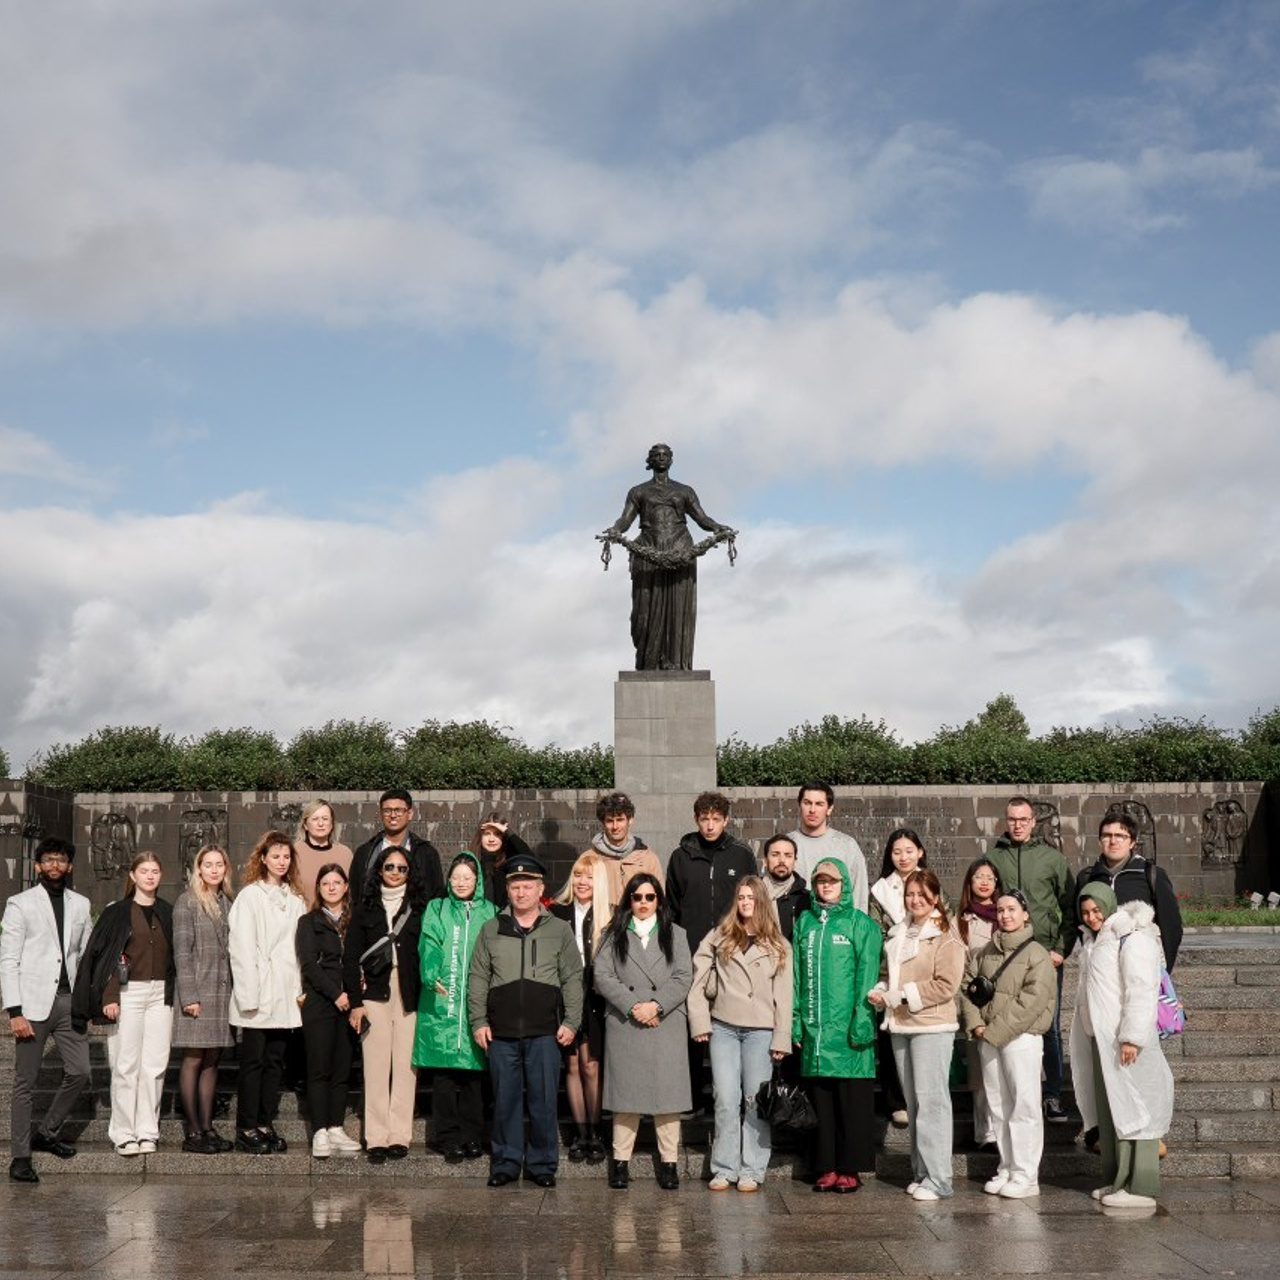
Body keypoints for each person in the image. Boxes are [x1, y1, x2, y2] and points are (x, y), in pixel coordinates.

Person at [468, 852, 583, 1188]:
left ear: (540, 889)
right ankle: (505, 1162)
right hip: (501, 1032)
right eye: (515, 886)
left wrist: (571, 1021)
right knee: (504, 1099)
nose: (521, 892)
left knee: (544, 1100)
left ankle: (543, 1164)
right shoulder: (491, 929)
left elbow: (573, 978)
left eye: (527, 886)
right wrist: (478, 1021)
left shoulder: (559, 929)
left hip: (546, 1032)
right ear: (507, 890)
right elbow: (478, 977)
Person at [1070, 884, 1175, 1209]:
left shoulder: (1132, 938)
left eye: (1096, 910)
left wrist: (1132, 1037)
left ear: (1109, 905)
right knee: (1113, 1112)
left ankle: (1140, 1185)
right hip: (1102, 1042)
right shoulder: (1092, 941)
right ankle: (1117, 1180)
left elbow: (1140, 989)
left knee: (1137, 1110)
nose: (1092, 916)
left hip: (1126, 1042)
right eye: (1085, 912)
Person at [688, 875, 792, 1192]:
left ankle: (752, 1168)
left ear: (761, 902)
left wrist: (781, 1038)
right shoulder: (720, 936)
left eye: (751, 897)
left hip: (761, 1029)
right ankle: (724, 1167)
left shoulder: (778, 944)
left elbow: (785, 996)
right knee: (724, 1097)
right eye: (742, 897)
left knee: (754, 1100)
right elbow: (697, 977)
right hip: (723, 1026)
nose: (746, 902)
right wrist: (700, 1022)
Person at [869, 869, 965, 1201]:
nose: (916, 900)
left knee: (932, 1103)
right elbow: (887, 973)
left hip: (932, 1026)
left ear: (935, 898)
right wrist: (881, 990)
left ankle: (940, 1179)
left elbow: (946, 985)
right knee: (914, 1103)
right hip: (901, 1026)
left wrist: (903, 995)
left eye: (923, 895)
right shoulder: (898, 931)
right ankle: (922, 1172)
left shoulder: (946, 934)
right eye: (910, 894)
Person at [594, 872, 693, 1190]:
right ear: (629, 900)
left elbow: (683, 977)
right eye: (637, 897)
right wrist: (635, 1005)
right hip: (627, 1022)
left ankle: (669, 1164)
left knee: (668, 1099)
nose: (643, 903)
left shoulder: (676, 934)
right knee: (626, 1098)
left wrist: (656, 1006)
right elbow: (603, 976)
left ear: (659, 900)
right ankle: (620, 1163)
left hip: (665, 1022)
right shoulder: (614, 933)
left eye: (650, 897)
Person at [72, 851, 175, 1157]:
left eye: (155, 870)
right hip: (128, 994)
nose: (150, 876)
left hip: (160, 995)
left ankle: (147, 1132)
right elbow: (104, 956)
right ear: (132, 875)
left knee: (154, 1066)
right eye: (144, 870)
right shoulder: (117, 912)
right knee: (125, 1065)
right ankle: (123, 1133)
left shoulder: (167, 912)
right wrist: (110, 996)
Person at [1, 837, 91, 1184]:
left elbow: (84, 955)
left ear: (69, 866)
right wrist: (15, 1011)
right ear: (38, 866)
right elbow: (8, 959)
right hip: (33, 1005)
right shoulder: (20, 904)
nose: (55, 865)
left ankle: (47, 1131)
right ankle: (21, 1157)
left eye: (62, 860)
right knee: (25, 1082)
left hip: (69, 1002)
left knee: (80, 1071)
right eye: (49, 860)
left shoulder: (81, 904)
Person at [600, 441, 734, 671]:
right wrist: (615, 530)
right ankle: (648, 662)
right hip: (648, 549)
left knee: (678, 606)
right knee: (644, 612)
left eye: (665, 455)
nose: (661, 458)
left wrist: (717, 527)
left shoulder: (685, 491)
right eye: (657, 455)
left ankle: (676, 663)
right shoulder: (638, 491)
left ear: (671, 459)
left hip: (680, 547)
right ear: (650, 461)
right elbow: (625, 519)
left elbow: (702, 519)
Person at [791, 859, 881, 1193]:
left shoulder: (861, 925)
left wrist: (861, 1021)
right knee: (822, 1102)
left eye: (832, 881)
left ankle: (850, 1168)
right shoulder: (805, 924)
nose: (826, 886)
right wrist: (795, 1021)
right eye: (820, 881)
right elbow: (797, 976)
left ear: (844, 883)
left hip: (848, 1030)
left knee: (850, 1101)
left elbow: (867, 975)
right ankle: (825, 1165)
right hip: (815, 1030)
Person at [959, 888, 1056, 1198]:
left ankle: (1027, 1175)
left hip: (1021, 1039)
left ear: (1025, 913)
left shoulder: (1036, 954)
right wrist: (975, 1024)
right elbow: (967, 988)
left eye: (1012, 909)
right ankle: (1007, 1166)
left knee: (1023, 1105)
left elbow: (1031, 1001)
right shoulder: (985, 951)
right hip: (986, 1037)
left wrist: (993, 1031)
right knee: (998, 1106)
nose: (1005, 915)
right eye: (1000, 910)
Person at [985, 795, 1075, 1123]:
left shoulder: (1052, 859)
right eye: (1012, 819)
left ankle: (1051, 1095)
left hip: (1045, 956)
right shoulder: (993, 857)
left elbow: (1069, 907)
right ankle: (1012, 1093)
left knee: (1048, 1027)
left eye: (1024, 819)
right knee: (1006, 1020)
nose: (1018, 825)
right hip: (1006, 957)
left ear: (1033, 821)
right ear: (1006, 821)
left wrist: (1061, 950)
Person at [344, 846, 427, 1163]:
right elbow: (350, 957)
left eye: (402, 868)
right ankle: (376, 1136)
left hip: (409, 993)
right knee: (376, 1066)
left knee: (406, 1067)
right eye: (389, 867)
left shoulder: (419, 908)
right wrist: (355, 1002)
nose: (395, 872)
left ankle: (399, 1136)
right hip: (374, 994)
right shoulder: (364, 908)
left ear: (410, 873)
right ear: (379, 870)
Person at [413, 851, 496, 1163]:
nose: (462, 883)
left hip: (475, 999)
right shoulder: (438, 908)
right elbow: (430, 942)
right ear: (448, 880)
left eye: (468, 877)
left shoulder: (490, 911)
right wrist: (431, 972)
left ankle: (473, 1136)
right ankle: (447, 1137)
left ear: (477, 881)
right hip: (442, 998)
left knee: (474, 1077)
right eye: (456, 877)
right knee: (446, 1076)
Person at [227, 830, 306, 1154]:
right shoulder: (249, 897)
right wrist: (249, 996)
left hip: (285, 991)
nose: (281, 861)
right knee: (253, 1062)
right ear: (263, 859)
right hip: (258, 992)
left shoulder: (296, 899)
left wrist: (300, 992)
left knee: (275, 1062)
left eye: (286, 856)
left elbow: (301, 950)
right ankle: (246, 1127)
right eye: (275, 856)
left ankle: (264, 1121)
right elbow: (241, 949)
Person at [867, 827, 943, 1127]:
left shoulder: (931, 885)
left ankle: (924, 1098)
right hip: (891, 968)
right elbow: (876, 930)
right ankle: (895, 1100)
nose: (903, 857)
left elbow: (944, 922)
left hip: (925, 969)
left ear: (920, 852)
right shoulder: (880, 891)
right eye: (897, 852)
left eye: (909, 851)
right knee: (889, 1039)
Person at [171, 844, 235, 1154]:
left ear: (226, 868)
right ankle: (192, 1131)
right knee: (194, 1059)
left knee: (212, 1060)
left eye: (219, 864)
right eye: (207, 864)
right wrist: (189, 996)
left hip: (221, 993)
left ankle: (208, 1126)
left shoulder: (228, 902)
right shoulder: (188, 902)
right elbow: (182, 952)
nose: (213, 869)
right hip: (198, 991)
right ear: (198, 869)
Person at [550, 851, 614, 1163]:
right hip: (565, 996)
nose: (581, 882)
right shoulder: (558, 913)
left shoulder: (612, 916)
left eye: (588, 876)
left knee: (592, 1065)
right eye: (577, 875)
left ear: (599, 881)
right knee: (572, 1065)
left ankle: (596, 1131)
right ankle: (580, 1133)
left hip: (596, 999)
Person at [296, 863, 362, 1158]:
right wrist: (336, 994)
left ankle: (336, 1127)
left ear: (346, 886)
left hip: (351, 1004)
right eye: (326, 883)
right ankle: (319, 1131)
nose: (332, 887)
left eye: (337, 882)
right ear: (319, 889)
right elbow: (309, 965)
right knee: (319, 1068)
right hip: (322, 1003)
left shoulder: (356, 921)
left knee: (341, 1069)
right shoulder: (308, 922)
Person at [1071, 813, 1183, 971]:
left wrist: (1163, 969)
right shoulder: (1087, 878)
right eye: (1106, 836)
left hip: (1141, 967)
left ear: (1132, 843)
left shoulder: (1151, 874)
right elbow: (1078, 922)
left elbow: (1171, 925)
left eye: (1120, 836)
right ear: (1099, 841)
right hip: (1102, 968)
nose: (1113, 841)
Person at [666, 792, 757, 955]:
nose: (710, 826)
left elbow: (754, 902)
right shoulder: (680, 857)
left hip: (733, 945)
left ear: (726, 820)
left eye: (716, 819)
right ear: (696, 820)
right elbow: (672, 908)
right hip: (691, 948)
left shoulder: (742, 855)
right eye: (704, 819)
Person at [956, 857, 1004, 1154]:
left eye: (990, 877)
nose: (984, 882)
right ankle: (985, 1133)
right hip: (976, 1003)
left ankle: (1006, 1131)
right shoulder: (960, 921)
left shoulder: (1008, 914)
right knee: (980, 1073)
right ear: (970, 883)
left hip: (1006, 1004)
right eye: (978, 877)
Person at [350, 789, 445, 903]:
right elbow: (355, 893)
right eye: (387, 811)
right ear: (381, 814)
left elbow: (437, 896)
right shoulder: (365, 852)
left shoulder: (426, 853)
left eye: (398, 810)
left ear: (409, 814)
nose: (393, 815)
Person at [787, 782, 869, 912]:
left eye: (819, 804)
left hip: (838, 925)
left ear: (829, 809)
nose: (812, 810)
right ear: (799, 806)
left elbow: (859, 892)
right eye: (807, 803)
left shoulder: (847, 845)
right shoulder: (785, 845)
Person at [585, 791, 663, 904]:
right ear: (603, 823)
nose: (615, 826)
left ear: (630, 820)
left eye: (620, 820)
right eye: (610, 821)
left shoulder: (649, 859)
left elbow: (659, 899)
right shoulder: (588, 858)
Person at [293, 799, 354, 909]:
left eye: (325, 819)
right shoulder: (294, 852)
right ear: (305, 825)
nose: (320, 824)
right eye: (315, 819)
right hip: (303, 920)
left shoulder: (345, 854)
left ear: (332, 824)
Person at [472, 812, 535, 911]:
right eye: (487, 834)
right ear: (480, 837)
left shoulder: (510, 862)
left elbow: (531, 860)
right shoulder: (471, 863)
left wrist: (507, 831)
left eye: (497, 834)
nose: (491, 839)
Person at [759, 834, 810, 943]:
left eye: (788, 855)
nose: (782, 860)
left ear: (795, 862)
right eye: (775, 855)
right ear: (765, 861)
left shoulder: (807, 899)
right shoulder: (752, 895)